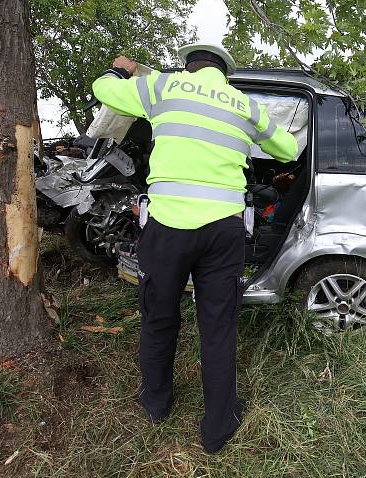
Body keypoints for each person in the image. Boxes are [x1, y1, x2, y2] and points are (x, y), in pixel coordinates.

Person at [92, 44, 298, 453]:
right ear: (226, 74)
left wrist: (120, 71)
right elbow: (289, 151)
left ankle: (156, 403)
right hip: (223, 231)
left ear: (189, 66)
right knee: (219, 329)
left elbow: (104, 91)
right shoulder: (244, 105)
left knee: (159, 317)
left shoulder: (162, 86)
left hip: (168, 227)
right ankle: (218, 427)